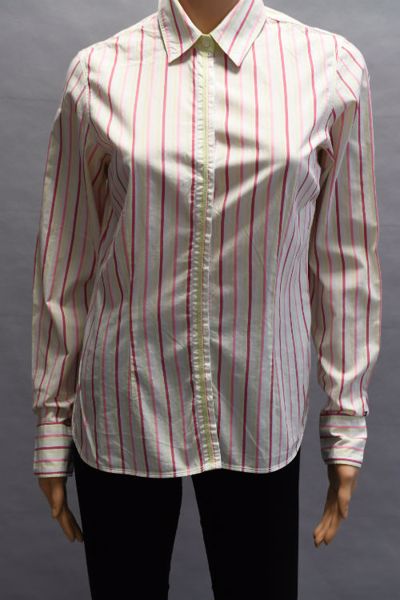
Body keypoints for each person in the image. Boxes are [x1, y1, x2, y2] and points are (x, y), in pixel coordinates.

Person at [31, 1, 382, 599]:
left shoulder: (330, 67)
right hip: (125, 405)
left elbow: (346, 257)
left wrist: (345, 417)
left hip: (259, 406)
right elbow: (65, 258)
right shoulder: (98, 71)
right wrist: (53, 420)